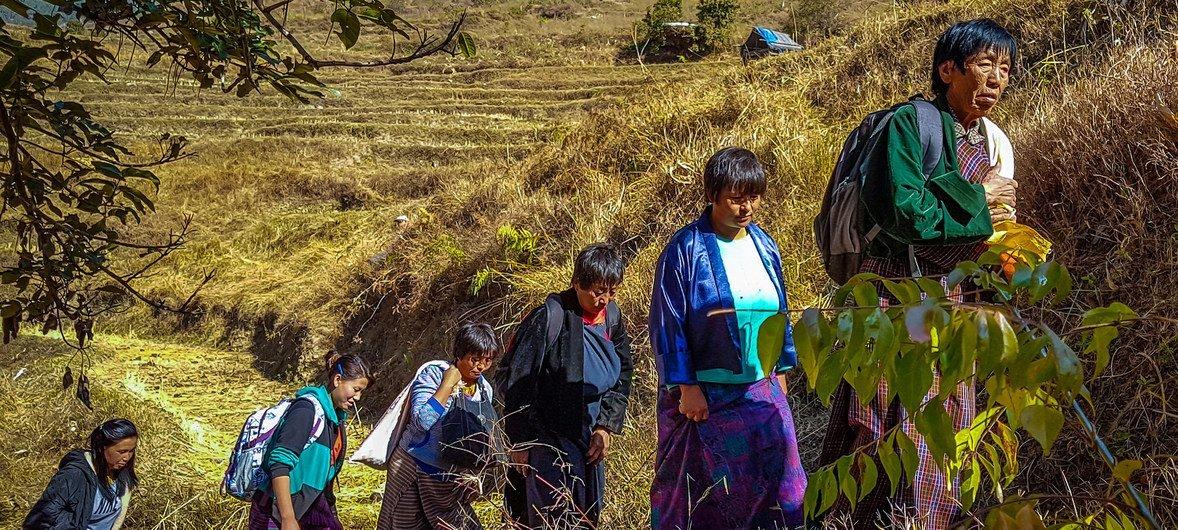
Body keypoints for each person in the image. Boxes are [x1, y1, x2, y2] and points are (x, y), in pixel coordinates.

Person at [818, 19, 1019, 530]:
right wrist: (982, 200)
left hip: (958, 303)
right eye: (984, 64)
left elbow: (991, 227)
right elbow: (902, 211)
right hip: (896, 296)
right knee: (882, 420)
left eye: (1005, 68)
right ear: (947, 70)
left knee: (947, 422)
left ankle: (923, 520)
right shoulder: (912, 125)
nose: (996, 78)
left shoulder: (993, 141)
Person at [648, 147, 806, 529]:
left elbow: (779, 310)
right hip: (706, 395)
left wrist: (781, 367)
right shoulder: (684, 250)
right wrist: (685, 385)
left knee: (783, 485)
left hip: (760, 389)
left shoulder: (764, 245)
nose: (746, 208)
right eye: (736, 199)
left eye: (753, 197)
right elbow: (668, 323)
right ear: (712, 196)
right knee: (705, 496)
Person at [499, 243, 634, 528]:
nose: (605, 299)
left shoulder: (612, 318)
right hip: (548, 437)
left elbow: (623, 372)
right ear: (577, 283)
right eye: (598, 291)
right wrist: (521, 442)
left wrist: (605, 425)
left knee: (587, 513)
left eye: (612, 291)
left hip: (590, 432)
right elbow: (518, 383)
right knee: (553, 516)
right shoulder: (549, 317)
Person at [377, 322, 501, 530]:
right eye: (474, 359)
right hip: (413, 467)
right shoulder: (435, 375)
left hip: (447, 478)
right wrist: (447, 385)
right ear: (459, 354)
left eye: (487, 361)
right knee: (403, 523)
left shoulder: (484, 391)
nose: (480, 366)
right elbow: (422, 421)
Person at [249, 353, 374, 530]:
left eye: (362, 391)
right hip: (277, 512)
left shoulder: (334, 419)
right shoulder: (306, 411)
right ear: (338, 380)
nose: (358, 398)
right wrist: (288, 519)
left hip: (310, 507)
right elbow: (280, 463)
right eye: (355, 389)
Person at [24, 418, 140, 530]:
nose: (127, 457)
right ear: (102, 448)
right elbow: (38, 519)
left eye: (131, 451)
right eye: (122, 452)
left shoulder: (122, 475)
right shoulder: (74, 475)